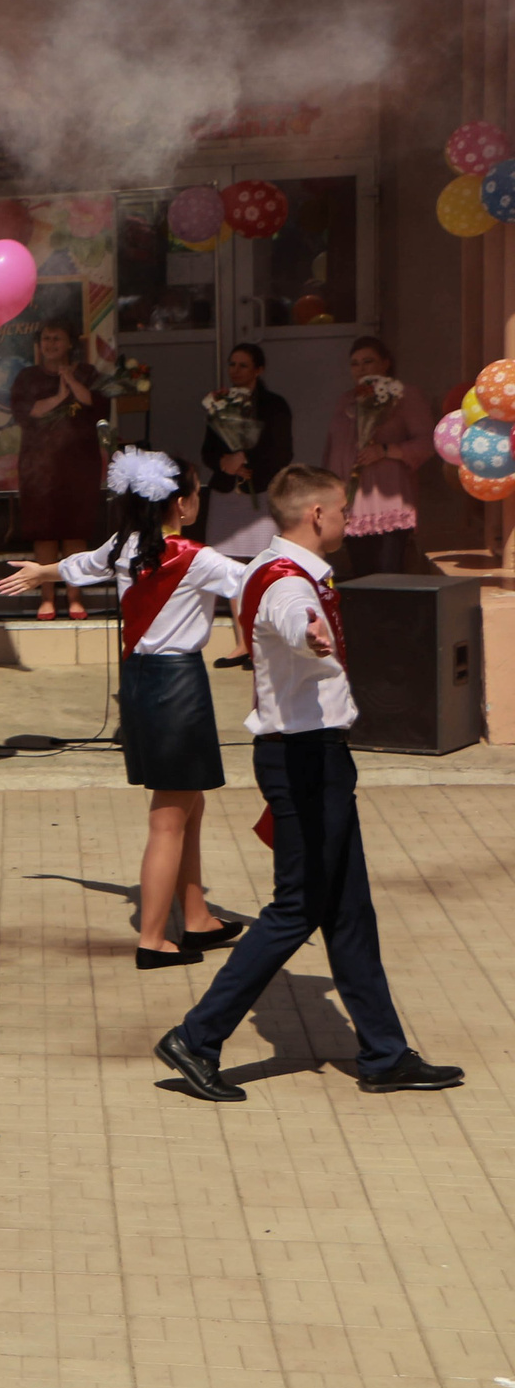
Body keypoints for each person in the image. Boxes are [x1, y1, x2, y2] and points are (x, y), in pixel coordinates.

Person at [153, 466, 463, 1102]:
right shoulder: (287, 582)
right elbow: (291, 616)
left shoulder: (272, 567)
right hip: (304, 761)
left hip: (312, 757)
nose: (349, 518)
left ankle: (383, 1053)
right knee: (297, 908)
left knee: (348, 910)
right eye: (343, 509)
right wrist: (309, 633)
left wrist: (307, 631)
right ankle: (196, 1037)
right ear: (316, 515)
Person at [0, 450, 250, 966]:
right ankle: (153, 939)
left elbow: (81, 564)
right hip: (178, 685)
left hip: (139, 681)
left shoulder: (125, 545)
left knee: (189, 804)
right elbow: (255, 583)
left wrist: (41, 572)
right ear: (181, 504)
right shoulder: (196, 557)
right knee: (169, 817)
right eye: (196, 493)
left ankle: (197, 917)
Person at [7, 319, 107, 621]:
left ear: (69, 343)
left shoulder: (87, 373)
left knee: (75, 532)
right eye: (46, 339)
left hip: (79, 464)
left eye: (57, 338)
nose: (50, 344)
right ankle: (47, 598)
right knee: (45, 533)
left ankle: (75, 597)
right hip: (39, 466)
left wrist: (71, 381)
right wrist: (60, 397)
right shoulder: (27, 377)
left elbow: (98, 407)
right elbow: (26, 412)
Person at [321, 335, 432, 580]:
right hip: (352, 502)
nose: (361, 368)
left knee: (389, 575)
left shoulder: (405, 396)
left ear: (385, 363)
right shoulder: (346, 400)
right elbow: (333, 449)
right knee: (361, 576)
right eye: (355, 363)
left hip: (389, 499)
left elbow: (426, 442)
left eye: (368, 361)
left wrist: (386, 450)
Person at [199, 342, 293, 562]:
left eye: (243, 365)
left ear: (258, 370)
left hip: (260, 490)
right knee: (221, 559)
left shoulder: (274, 404)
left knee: (260, 558)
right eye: (232, 364)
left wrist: (245, 459)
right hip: (225, 489)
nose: (235, 370)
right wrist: (225, 464)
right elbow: (207, 450)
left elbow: (282, 451)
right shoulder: (219, 402)